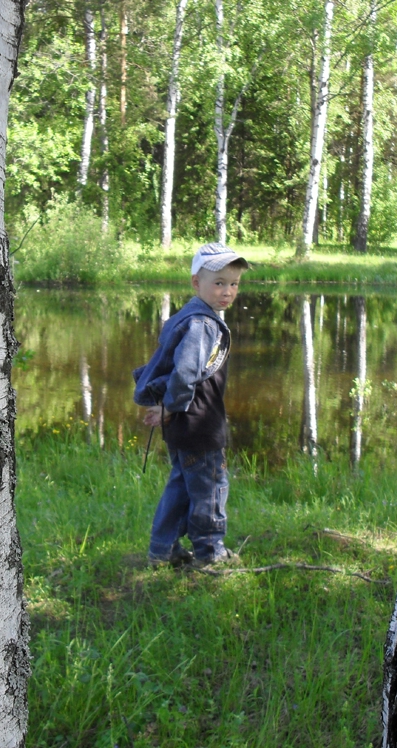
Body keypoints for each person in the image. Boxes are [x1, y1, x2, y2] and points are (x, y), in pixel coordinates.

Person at [132, 242, 250, 568]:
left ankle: (162, 549)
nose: (228, 291)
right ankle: (210, 553)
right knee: (211, 487)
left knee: (182, 485)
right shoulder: (204, 325)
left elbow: (175, 370)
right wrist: (171, 407)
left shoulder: (186, 316)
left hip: (182, 421)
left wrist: (168, 409)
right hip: (198, 422)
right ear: (196, 282)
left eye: (234, 284)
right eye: (219, 283)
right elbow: (184, 373)